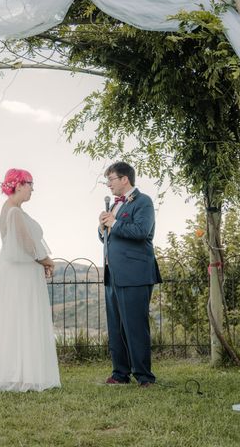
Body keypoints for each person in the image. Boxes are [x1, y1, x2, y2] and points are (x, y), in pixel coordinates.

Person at [0, 168, 60, 393]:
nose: (32, 189)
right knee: (25, 317)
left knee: (19, 319)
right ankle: (24, 375)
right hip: (22, 276)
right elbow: (26, 244)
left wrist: (41, 262)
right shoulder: (14, 212)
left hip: (19, 273)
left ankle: (20, 372)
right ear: (18, 184)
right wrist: (47, 261)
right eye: (30, 184)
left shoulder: (10, 209)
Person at [98, 161, 162, 387]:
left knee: (135, 326)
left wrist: (113, 223)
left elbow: (142, 232)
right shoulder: (114, 205)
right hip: (113, 274)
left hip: (135, 274)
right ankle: (120, 374)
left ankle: (145, 377)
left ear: (125, 179)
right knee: (116, 327)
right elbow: (109, 237)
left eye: (111, 179)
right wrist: (102, 227)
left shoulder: (143, 202)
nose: (108, 185)